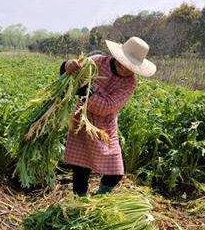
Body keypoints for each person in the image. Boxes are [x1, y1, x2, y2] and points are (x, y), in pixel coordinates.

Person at [61, 37, 157, 196]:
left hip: (105, 127)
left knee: (116, 172)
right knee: (81, 167)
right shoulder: (97, 62)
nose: (126, 69)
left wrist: (85, 91)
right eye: (124, 62)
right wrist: (67, 65)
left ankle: (100, 199)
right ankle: (80, 202)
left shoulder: (129, 83)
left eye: (131, 66)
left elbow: (107, 107)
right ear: (118, 57)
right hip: (82, 121)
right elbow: (71, 73)